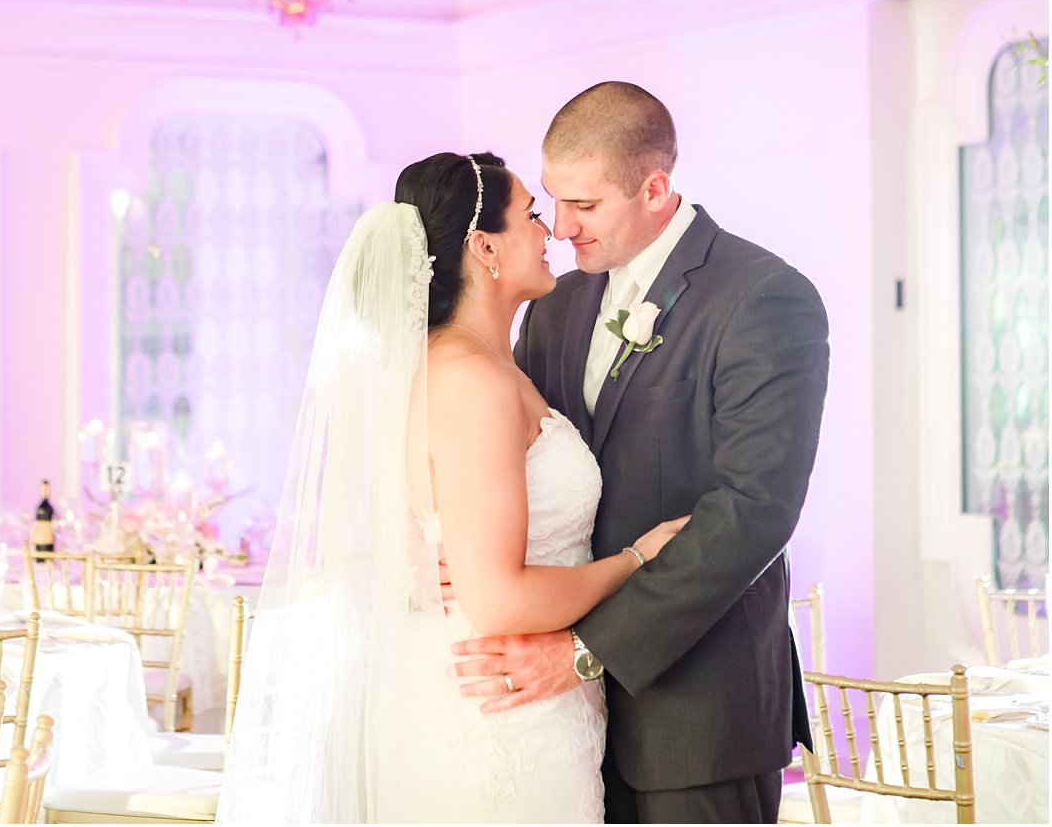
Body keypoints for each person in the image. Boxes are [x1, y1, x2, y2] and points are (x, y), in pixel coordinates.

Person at [217, 151, 686, 824]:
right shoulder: (473, 380)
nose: (549, 228)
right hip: (496, 715)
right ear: (483, 245)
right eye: (530, 213)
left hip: (502, 696)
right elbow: (497, 598)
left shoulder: (477, 368)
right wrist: (636, 561)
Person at [450, 82, 830, 823]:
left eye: (584, 206)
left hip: (697, 717)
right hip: (560, 727)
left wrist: (586, 650)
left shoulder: (764, 298)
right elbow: (522, 463)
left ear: (655, 188)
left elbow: (754, 513)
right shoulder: (554, 307)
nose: (559, 227)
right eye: (553, 201)